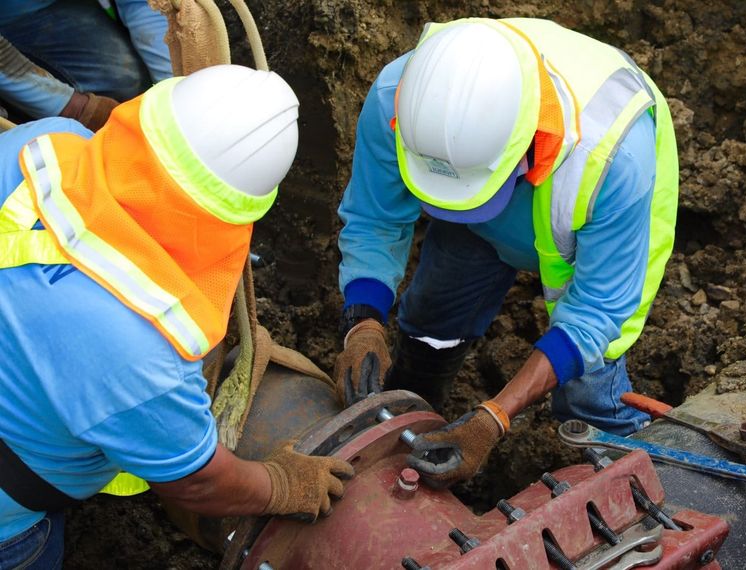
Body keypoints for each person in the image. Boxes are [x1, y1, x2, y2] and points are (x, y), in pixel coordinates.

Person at [0, 64, 353, 568]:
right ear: (234, 213)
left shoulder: (42, 145)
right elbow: (199, 480)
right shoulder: (144, 352)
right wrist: (279, 484)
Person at [334, 18, 678, 488]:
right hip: (488, 210)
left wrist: (496, 415)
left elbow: (597, 311)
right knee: (434, 314)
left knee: (589, 382)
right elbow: (375, 219)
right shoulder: (402, 99)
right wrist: (363, 321)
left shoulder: (615, 159)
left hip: (592, 220)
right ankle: (417, 396)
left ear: (523, 146)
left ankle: (622, 464)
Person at [0, 0, 173, 131]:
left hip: (59, 4)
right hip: (13, 16)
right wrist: (77, 108)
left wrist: (174, 85)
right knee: (121, 87)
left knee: (136, 84)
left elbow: (143, 4)